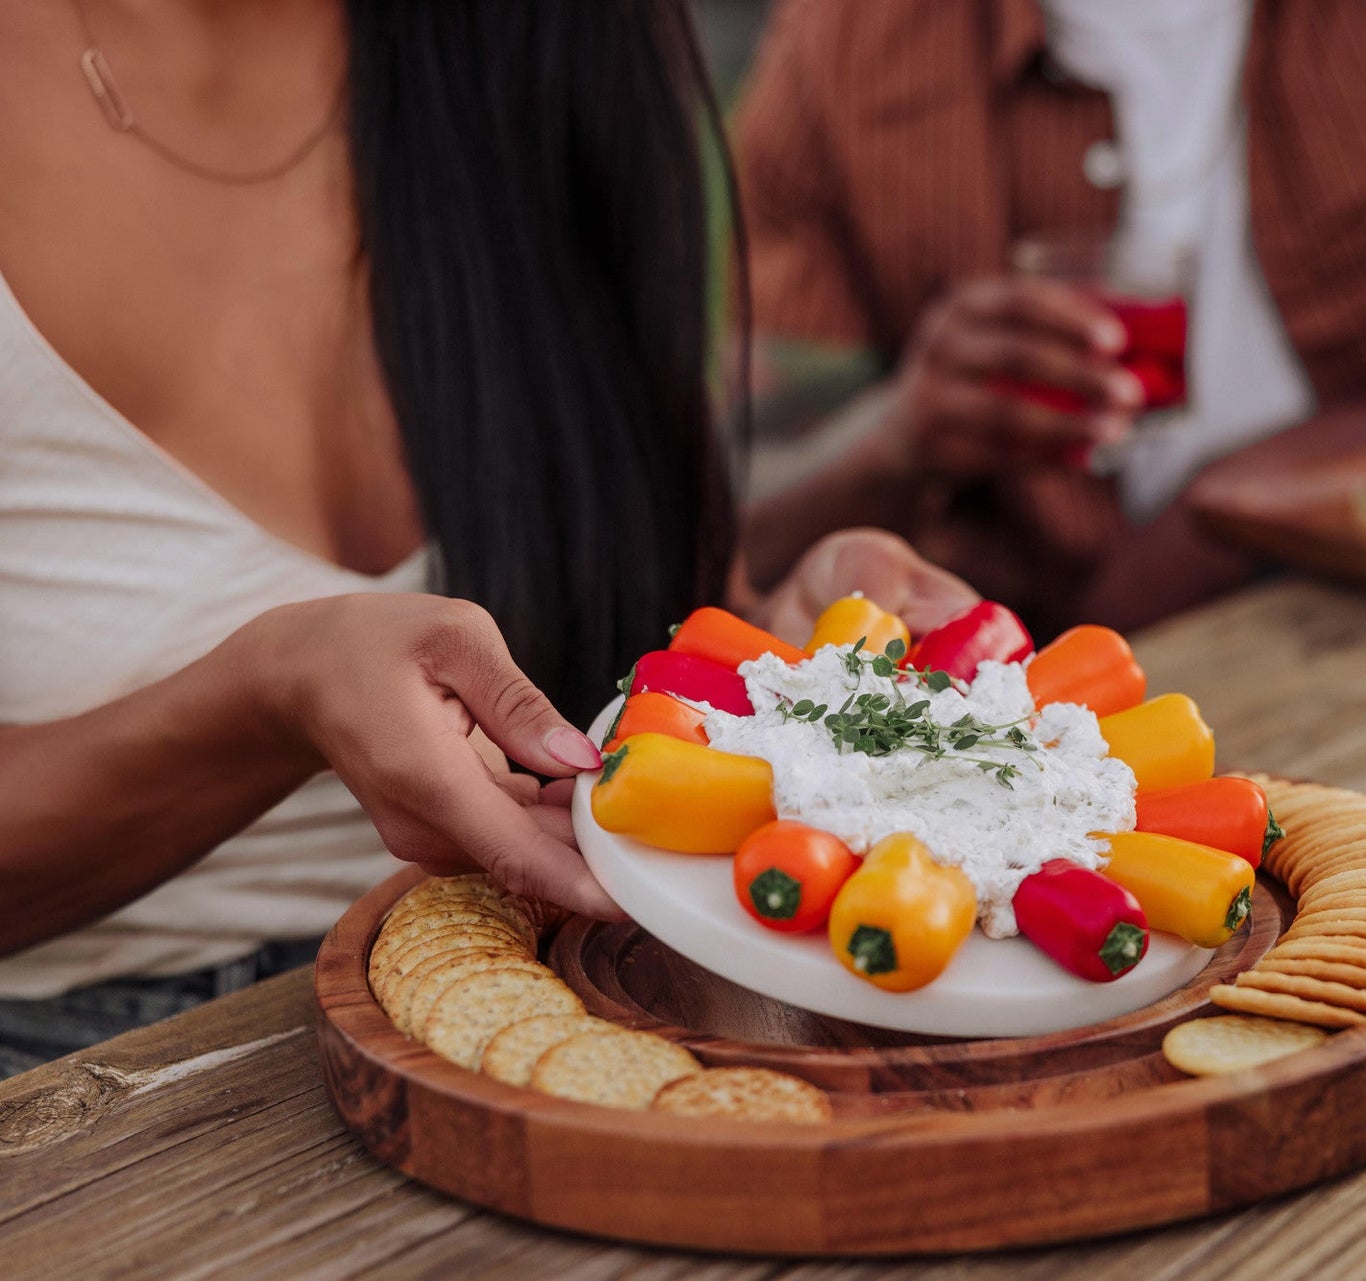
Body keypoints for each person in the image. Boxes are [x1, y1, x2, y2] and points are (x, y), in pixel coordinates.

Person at [0, 0, 974, 1076]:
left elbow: (643, 627)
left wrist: (772, 662)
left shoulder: (552, 36)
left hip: (581, 991)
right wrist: (270, 695)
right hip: (83, 1073)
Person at [732, 0, 1366, 635]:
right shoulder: (840, 44)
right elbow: (746, 502)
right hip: (1029, 712)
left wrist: (1230, 510)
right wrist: (902, 437)